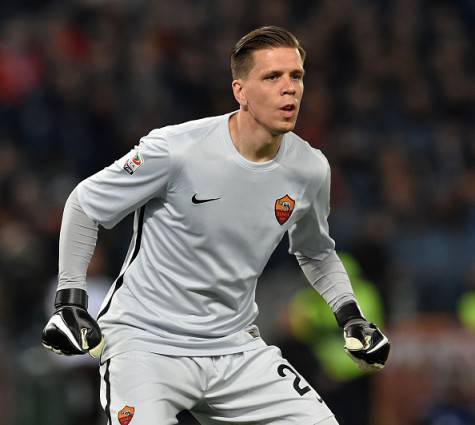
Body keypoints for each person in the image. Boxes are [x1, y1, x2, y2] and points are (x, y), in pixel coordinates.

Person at [42, 26, 390, 425]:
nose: (289, 88)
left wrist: (351, 316)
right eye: (272, 77)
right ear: (240, 91)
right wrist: (70, 299)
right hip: (146, 344)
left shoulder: (310, 168)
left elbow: (316, 252)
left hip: (236, 349)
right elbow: (85, 203)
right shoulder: (177, 149)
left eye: (296, 76)